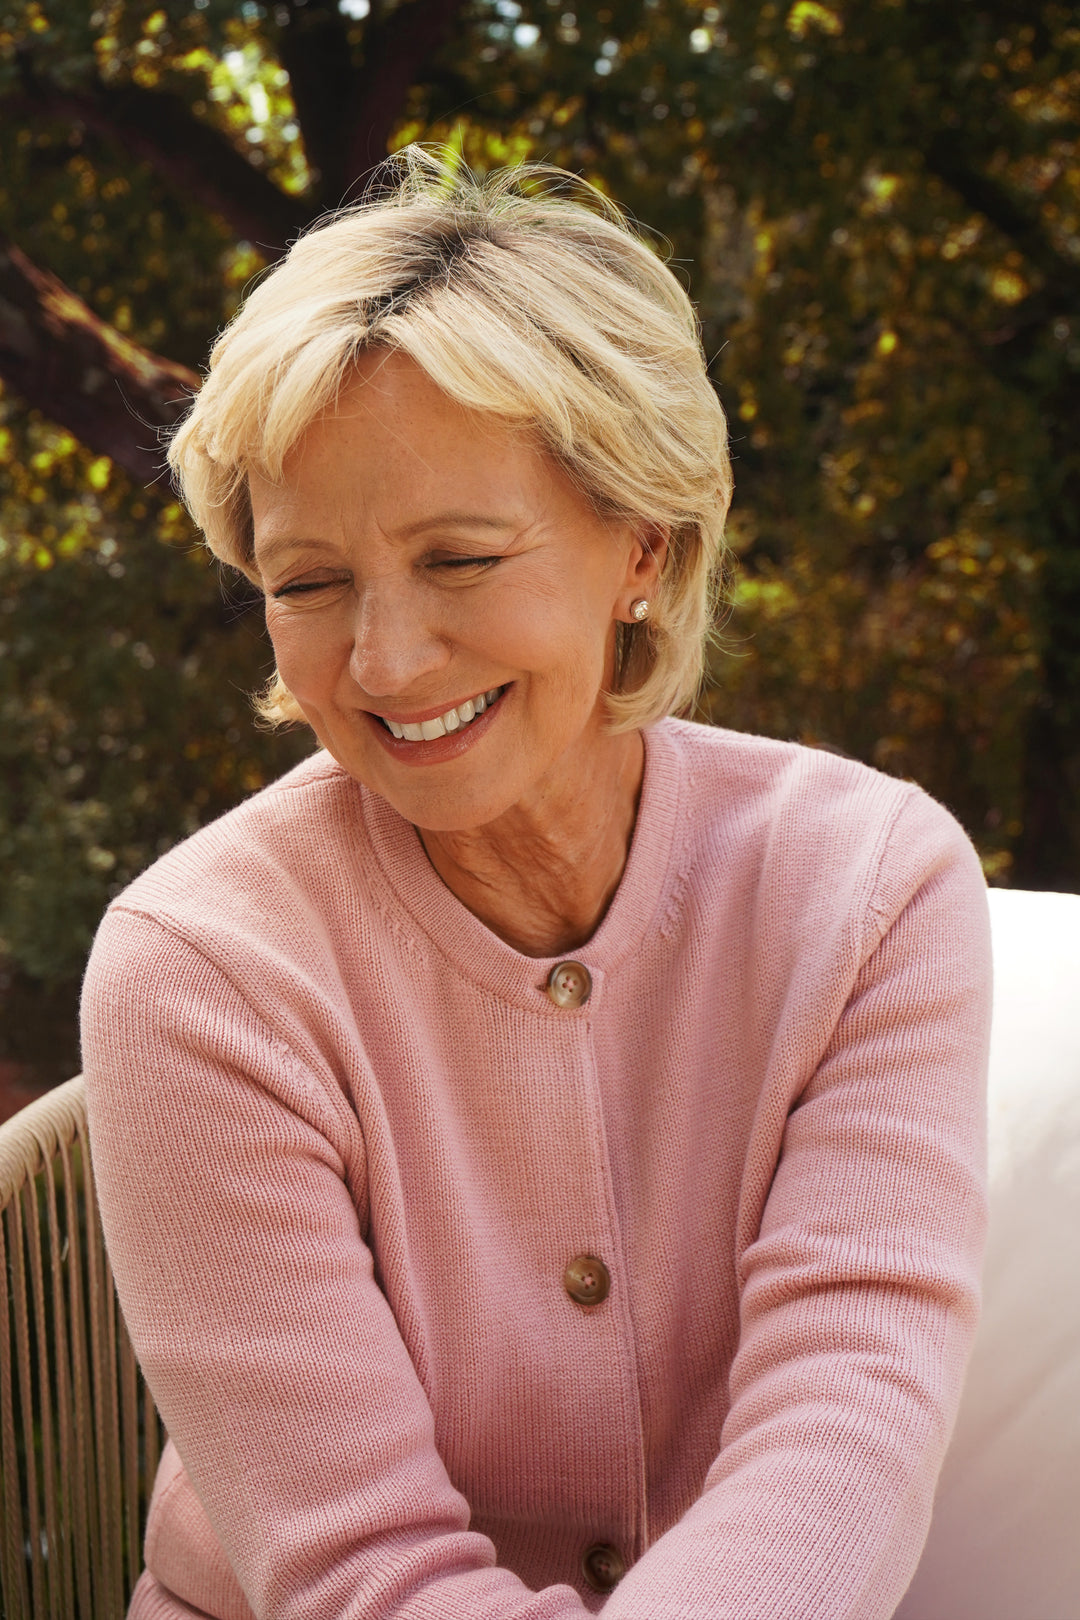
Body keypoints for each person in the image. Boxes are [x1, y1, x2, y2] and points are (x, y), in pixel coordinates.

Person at [81, 149, 992, 1620]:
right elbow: (356, 1571)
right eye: (306, 584)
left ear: (644, 543)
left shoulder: (871, 888)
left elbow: (845, 1435)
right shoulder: (198, 967)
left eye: (460, 558)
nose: (381, 663)